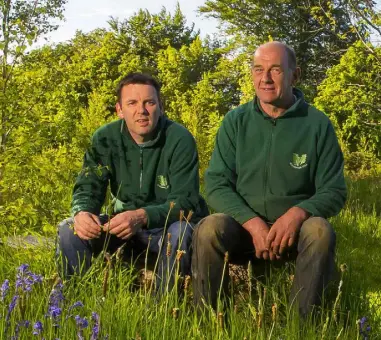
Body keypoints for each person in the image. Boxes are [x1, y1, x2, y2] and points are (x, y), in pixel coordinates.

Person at [191, 41, 347, 317]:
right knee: (208, 227)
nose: (265, 78)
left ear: (294, 75)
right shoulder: (235, 122)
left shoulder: (317, 124)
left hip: (295, 232)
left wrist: (296, 215)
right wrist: (252, 224)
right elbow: (216, 184)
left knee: (320, 231)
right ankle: (206, 321)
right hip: (243, 228)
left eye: (275, 70)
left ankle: (303, 326)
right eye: (258, 69)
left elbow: (334, 190)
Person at [57, 72, 208, 293]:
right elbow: (89, 185)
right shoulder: (105, 138)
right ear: (119, 110)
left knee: (182, 231)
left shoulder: (179, 139)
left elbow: (186, 202)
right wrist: (83, 212)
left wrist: (141, 216)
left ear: (160, 106)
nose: (142, 111)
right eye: (132, 103)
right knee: (68, 228)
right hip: (122, 227)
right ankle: (79, 305)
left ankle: (163, 311)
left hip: (166, 228)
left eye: (149, 102)